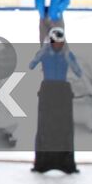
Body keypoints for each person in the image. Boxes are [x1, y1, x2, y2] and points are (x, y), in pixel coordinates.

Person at [28, 27, 82, 175]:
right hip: (47, 91)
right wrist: (41, 53)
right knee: (44, 128)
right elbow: (31, 65)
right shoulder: (45, 53)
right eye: (56, 42)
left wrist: (70, 58)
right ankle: (41, 163)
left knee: (65, 129)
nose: (58, 45)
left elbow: (79, 72)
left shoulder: (67, 54)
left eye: (61, 42)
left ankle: (67, 163)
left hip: (63, 91)